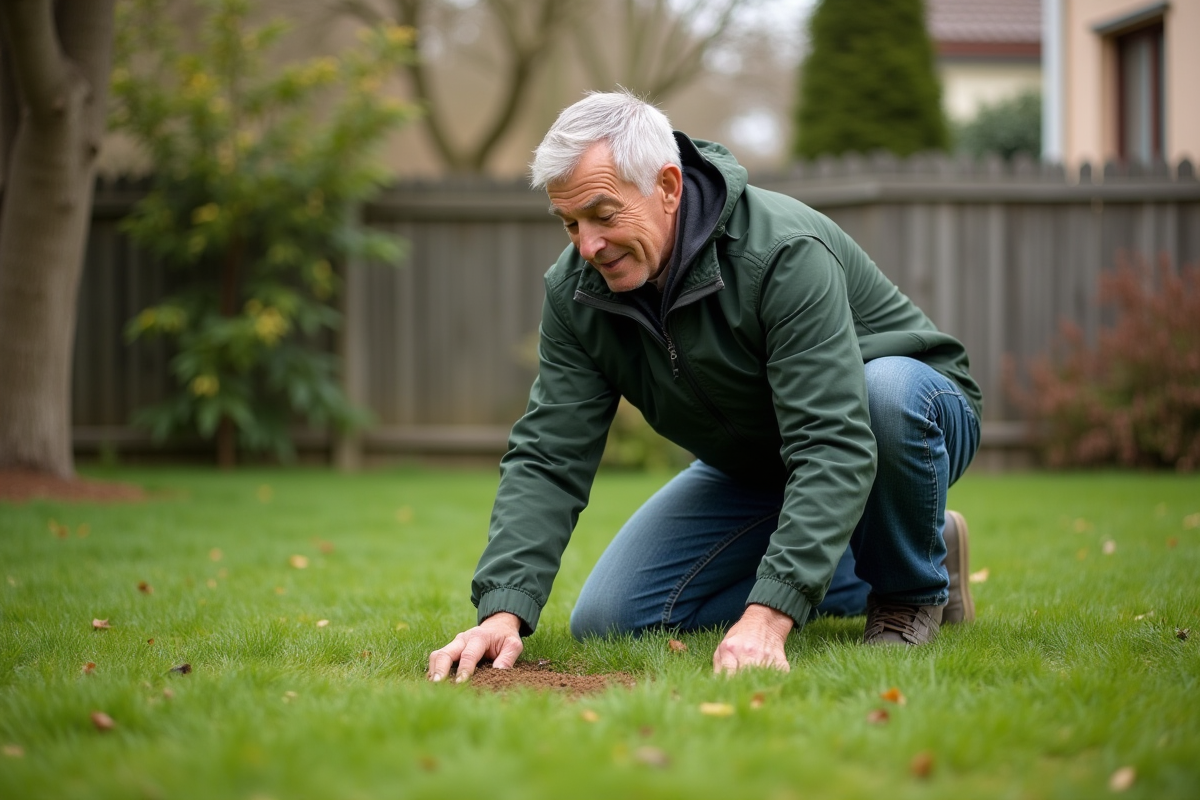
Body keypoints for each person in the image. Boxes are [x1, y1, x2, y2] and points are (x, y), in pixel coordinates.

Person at [427, 91, 981, 682]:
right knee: (613, 617)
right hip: (756, 463)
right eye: (571, 223)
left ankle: (909, 588)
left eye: (604, 215)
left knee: (884, 392)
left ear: (667, 186)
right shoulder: (577, 294)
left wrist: (768, 617)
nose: (588, 246)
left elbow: (833, 440)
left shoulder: (781, 253)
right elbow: (548, 455)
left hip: (907, 416)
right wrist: (502, 612)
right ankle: (895, 542)